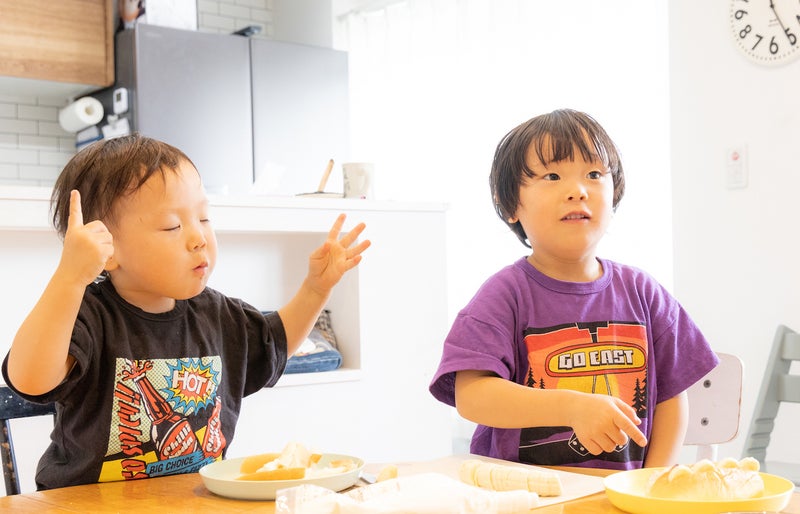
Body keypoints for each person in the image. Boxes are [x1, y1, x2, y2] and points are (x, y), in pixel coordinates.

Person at [2, 133, 370, 490]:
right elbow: (31, 379)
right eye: (173, 225)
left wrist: (316, 288)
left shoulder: (218, 314)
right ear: (107, 249)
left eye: (204, 219)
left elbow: (273, 344)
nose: (198, 238)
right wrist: (69, 278)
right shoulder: (89, 316)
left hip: (192, 501)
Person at [429, 109, 718, 471]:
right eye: (552, 175)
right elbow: (471, 396)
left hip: (619, 502)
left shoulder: (645, 293)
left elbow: (671, 398)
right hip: (527, 501)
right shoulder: (504, 295)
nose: (577, 191)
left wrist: (650, 484)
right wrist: (571, 406)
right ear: (509, 206)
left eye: (594, 174)